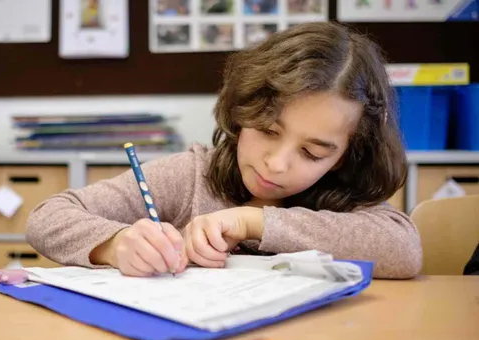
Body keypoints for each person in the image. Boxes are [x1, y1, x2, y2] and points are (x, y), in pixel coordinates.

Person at [25, 22, 423, 280]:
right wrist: (115, 244)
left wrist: (255, 222)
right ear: (242, 110)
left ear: (344, 156)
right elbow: (48, 217)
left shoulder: (341, 195)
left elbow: (404, 250)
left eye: (313, 153)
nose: (277, 163)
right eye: (267, 130)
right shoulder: (190, 177)